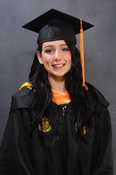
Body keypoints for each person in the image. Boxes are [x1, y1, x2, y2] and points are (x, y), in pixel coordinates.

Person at [0, 9, 113, 175]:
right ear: (39, 57)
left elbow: (103, 164)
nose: (57, 57)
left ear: (73, 54)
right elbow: (14, 164)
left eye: (64, 48)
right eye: (49, 50)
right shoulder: (25, 103)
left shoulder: (94, 103)